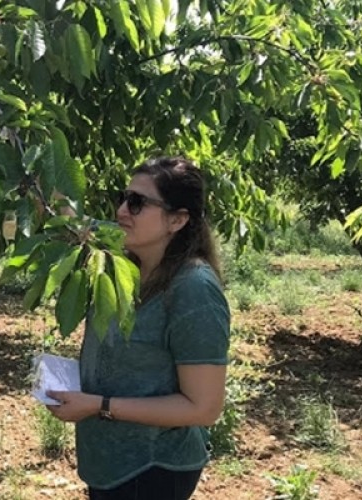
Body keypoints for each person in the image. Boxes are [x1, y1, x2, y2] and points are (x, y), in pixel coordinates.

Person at [46, 156, 230, 500]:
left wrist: (99, 405)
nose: (121, 211)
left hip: (152, 470)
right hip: (109, 463)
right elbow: (72, 223)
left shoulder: (193, 289)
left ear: (177, 220)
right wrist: (25, 156)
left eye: (137, 203)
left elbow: (204, 407)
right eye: (123, 197)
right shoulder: (126, 258)